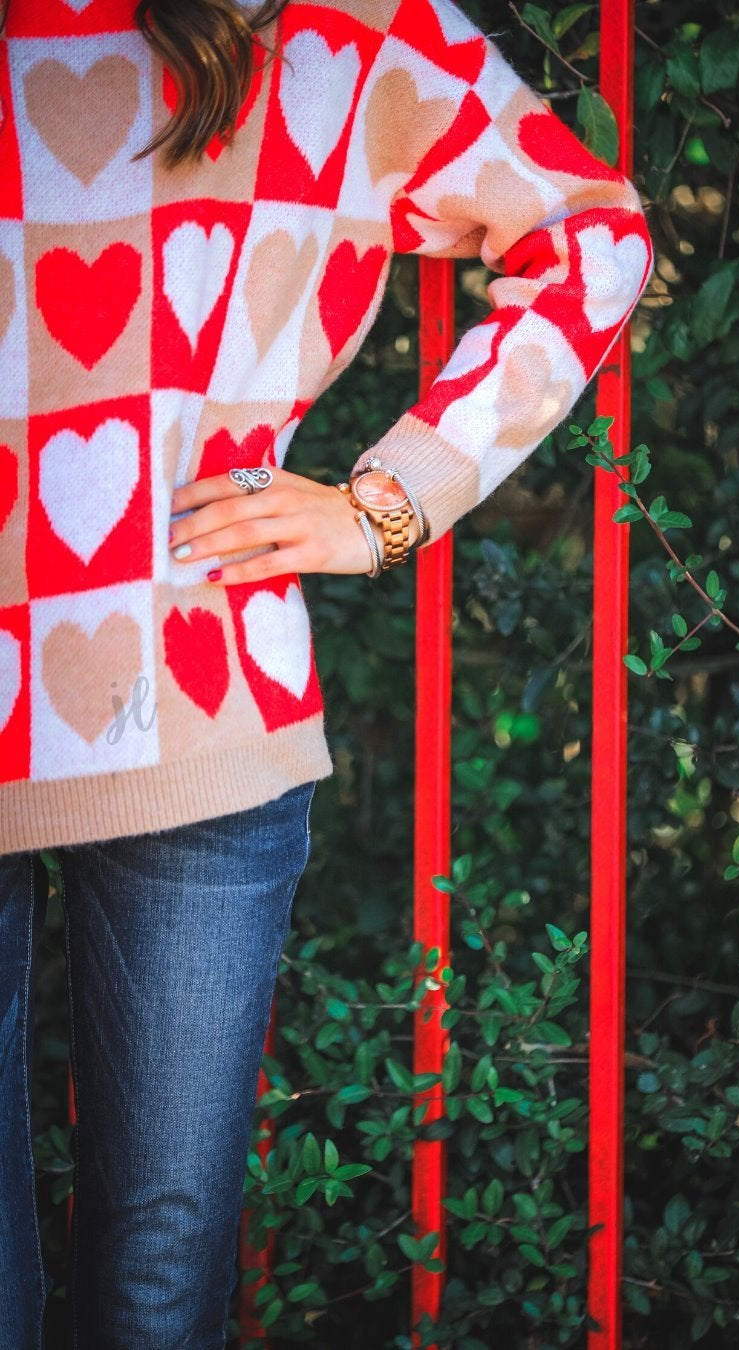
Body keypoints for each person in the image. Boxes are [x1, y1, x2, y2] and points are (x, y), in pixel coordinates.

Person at [0, 0, 653, 1344]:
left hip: (205, 707)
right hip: (182, 703)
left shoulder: (342, 24)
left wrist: (383, 506)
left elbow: (592, 233)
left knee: (160, 1280)